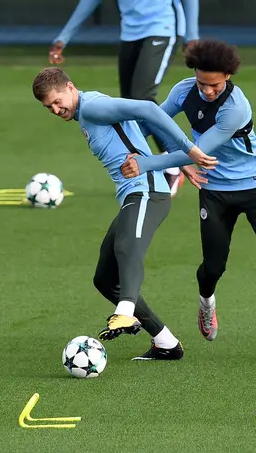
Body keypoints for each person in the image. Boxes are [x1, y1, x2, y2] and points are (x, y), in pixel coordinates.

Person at [121, 39, 256, 364]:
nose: (207, 91)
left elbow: (199, 150)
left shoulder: (235, 107)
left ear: (227, 76)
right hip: (214, 191)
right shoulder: (185, 91)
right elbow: (153, 122)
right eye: (202, 83)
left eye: (214, 85)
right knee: (213, 266)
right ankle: (207, 301)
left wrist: (145, 163)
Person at [32, 67, 218, 361]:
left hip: (147, 192)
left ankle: (126, 312)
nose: (56, 110)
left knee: (126, 247)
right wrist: (179, 160)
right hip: (134, 195)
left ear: (70, 87)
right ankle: (166, 343)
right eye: (49, 107)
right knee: (105, 279)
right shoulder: (85, 113)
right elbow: (140, 126)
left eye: (57, 101)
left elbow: (147, 108)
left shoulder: (92, 106)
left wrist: (188, 151)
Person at [48, 0, 201, 195]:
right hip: (130, 34)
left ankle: (171, 166)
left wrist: (192, 35)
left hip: (161, 29)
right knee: (131, 103)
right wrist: (64, 36)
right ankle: (148, 165)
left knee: (143, 99)